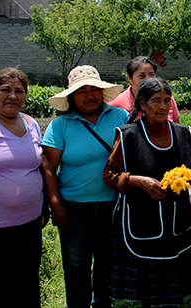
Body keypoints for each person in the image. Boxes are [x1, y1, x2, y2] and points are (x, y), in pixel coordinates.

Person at [103, 78, 191, 307]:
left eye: (167, 100)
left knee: (172, 283)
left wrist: (184, 177)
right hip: (141, 219)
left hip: (177, 220)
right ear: (142, 105)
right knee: (148, 285)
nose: (162, 106)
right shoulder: (128, 135)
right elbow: (110, 174)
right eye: (155, 101)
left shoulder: (183, 133)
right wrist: (137, 181)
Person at [42, 65, 129, 308]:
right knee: (76, 266)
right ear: (71, 97)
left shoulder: (120, 117)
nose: (89, 95)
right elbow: (48, 168)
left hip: (112, 206)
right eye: (82, 91)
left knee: (107, 264)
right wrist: (56, 205)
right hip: (74, 209)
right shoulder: (60, 126)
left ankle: (102, 304)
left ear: (102, 92)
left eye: (94, 89)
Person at [0, 68, 47, 307]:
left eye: (19, 91)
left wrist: (45, 206)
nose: (12, 96)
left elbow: (40, 166)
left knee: (26, 284)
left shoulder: (31, 124)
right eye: (5, 90)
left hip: (28, 224)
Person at [109, 56, 179, 122]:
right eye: (142, 76)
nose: (148, 80)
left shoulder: (166, 98)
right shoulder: (116, 105)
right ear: (129, 79)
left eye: (151, 75)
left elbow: (176, 129)